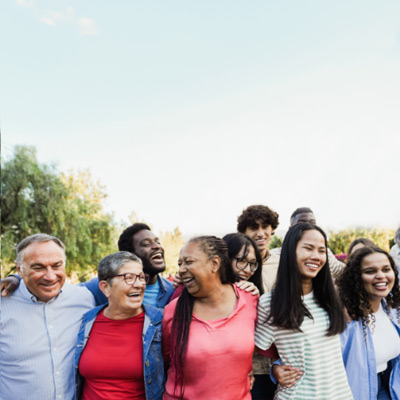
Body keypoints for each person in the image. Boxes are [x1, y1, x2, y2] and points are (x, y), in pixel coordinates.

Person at [255, 223, 353, 399]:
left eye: (321, 251)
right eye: (308, 248)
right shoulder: (269, 303)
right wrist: (276, 368)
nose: (316, 256)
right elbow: (257, 350)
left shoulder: (330, 298)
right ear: (290, 252)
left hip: (339, 394)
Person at [0, 234, 95, 400]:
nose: (50, 276)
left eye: (56, 266)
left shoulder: (84, 299)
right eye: (38, 267)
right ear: (19, 270)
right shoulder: (3, 304)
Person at [162, 236, 258, 400]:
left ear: (214, 263)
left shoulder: (249, 299)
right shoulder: (173, 311)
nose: (182, 269)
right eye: (180, 264)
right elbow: (164, 361)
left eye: (189, 262)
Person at [75, 251, 165, 400]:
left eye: (141, 277)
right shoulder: (86, 322)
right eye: (128, 278)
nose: (139, 285)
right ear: (105, 288)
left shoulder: (160, 323)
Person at [337, 246, 400, 399]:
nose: (381, 276)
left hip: (388, 384)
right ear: (356, 278)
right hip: (356, 392)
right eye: (370, 271)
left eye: (386, 269)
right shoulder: (346, 319)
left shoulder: (391, 309)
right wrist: (278, 368)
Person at [237, 205, 280, 399]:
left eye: (265, 226)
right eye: (254, 228)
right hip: (249, 367)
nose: (261, 233)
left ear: (272, 229)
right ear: (244, 232)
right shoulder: (233, 264)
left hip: (282, 362)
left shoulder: (283, 263)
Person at [85, 223, 174, 308]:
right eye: (146, 244)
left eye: (158, 242)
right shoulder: (106, 285)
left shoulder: (172, 290)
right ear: (130, 256)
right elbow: (74, 291)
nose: (157, 246)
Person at [271, 207, 345, 278]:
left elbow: (344, 272)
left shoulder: (325, 254)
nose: (308, 227)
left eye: (312, 223)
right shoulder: (276, 256)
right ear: (290, 229)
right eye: (302, 223)